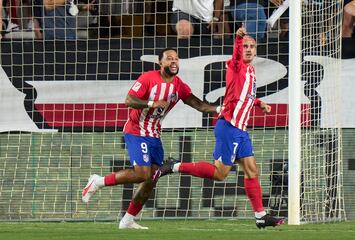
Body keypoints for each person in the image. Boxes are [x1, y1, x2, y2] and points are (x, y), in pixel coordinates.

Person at [153, 27, 285, 229]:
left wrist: (259, 103)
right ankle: (174, 166)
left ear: (256, 50)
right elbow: (236, 58)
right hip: (229, 127)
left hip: (240, 130)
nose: (248, 49)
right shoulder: (236, 66)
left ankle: (260, 216)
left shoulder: (251, 71)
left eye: (252, 46)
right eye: (245, 47)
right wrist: (238, 40)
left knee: (252, 171)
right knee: (220, 174)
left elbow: (243, 95)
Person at [81, 47, 221, 229]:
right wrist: (151, 103)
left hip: (154, 135)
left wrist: (219, 109)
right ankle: (97, 182)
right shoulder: (148, 77)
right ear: (160, 63)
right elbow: (129, 100)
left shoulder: (179, 85)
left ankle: (128, 220)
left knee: (150, 179)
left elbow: (199, 105)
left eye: (176, 59)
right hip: (136, 131)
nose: (174, 61)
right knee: (142, 174)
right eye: (169, 58)